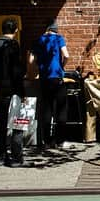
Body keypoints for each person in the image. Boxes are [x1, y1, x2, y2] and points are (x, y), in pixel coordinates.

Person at [0, 18, 26, 167]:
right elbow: (16, 70)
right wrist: (21, 91)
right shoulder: (13, 45)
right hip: (13, 88)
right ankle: (16, 157)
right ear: (15, 30)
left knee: (2, 122)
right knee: (17, 123)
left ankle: (0, 156)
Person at [29, 21, 70, 149]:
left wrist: (40, 66)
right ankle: (60, 141)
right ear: (55, 30)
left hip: (44, 79)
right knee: (61, 109)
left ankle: (47, 142)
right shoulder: (59, 39)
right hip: (57, 77)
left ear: (47, 29)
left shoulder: (40, 40)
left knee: (47, 109)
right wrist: (61, 66)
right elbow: (66, 55)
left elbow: (31, 60)